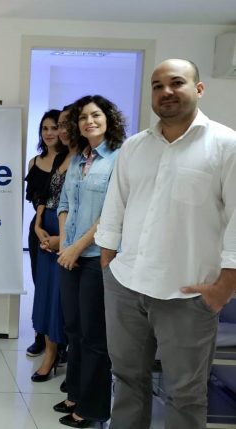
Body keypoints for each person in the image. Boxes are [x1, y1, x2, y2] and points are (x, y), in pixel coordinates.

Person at [96, 59, 236, 429]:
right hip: (127, 285)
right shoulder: (135, 146)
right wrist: (108, 258)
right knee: (127, 381)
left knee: (186, 393)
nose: (166, 92)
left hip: (188, 293)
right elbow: (116, 203)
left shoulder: (226, 145)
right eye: (157, 85)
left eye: (176, 83)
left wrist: (226, 284)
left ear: (199, 89)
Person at [54, 95, 125, 428]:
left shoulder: (118, 158)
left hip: (97, 258)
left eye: (95, 115)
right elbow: (64, 203)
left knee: (94, 335)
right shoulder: (78, 157)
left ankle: (93, 409)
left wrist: (77, 247)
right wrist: (66, 243)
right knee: (74, 329)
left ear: (108, 119)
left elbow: (112, 213)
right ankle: (76, 393)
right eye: (83, 117)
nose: (89, 121)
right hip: (70, 256)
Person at [31, 108, 73, 383]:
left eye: (60, 126)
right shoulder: (57, 159)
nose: (58, 131)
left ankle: (59, 352)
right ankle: (50, 350)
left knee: (61, 296)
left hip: (67, 233)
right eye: (58, 126)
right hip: (44, 229)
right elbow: (44, 195)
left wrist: (62, 237)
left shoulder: (80, 158)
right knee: (45, 292)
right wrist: (37, 225)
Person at [25, 110, 64, 357]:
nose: (49, 133)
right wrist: (39, 228)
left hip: (64, 230)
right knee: (40, 284)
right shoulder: (34, 162)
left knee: (60, 288)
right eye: (45, 128)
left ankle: (61, 341)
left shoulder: (71, 160)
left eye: (54, 127)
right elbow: (34, 199)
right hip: (38, 230)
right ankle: (41, 335)